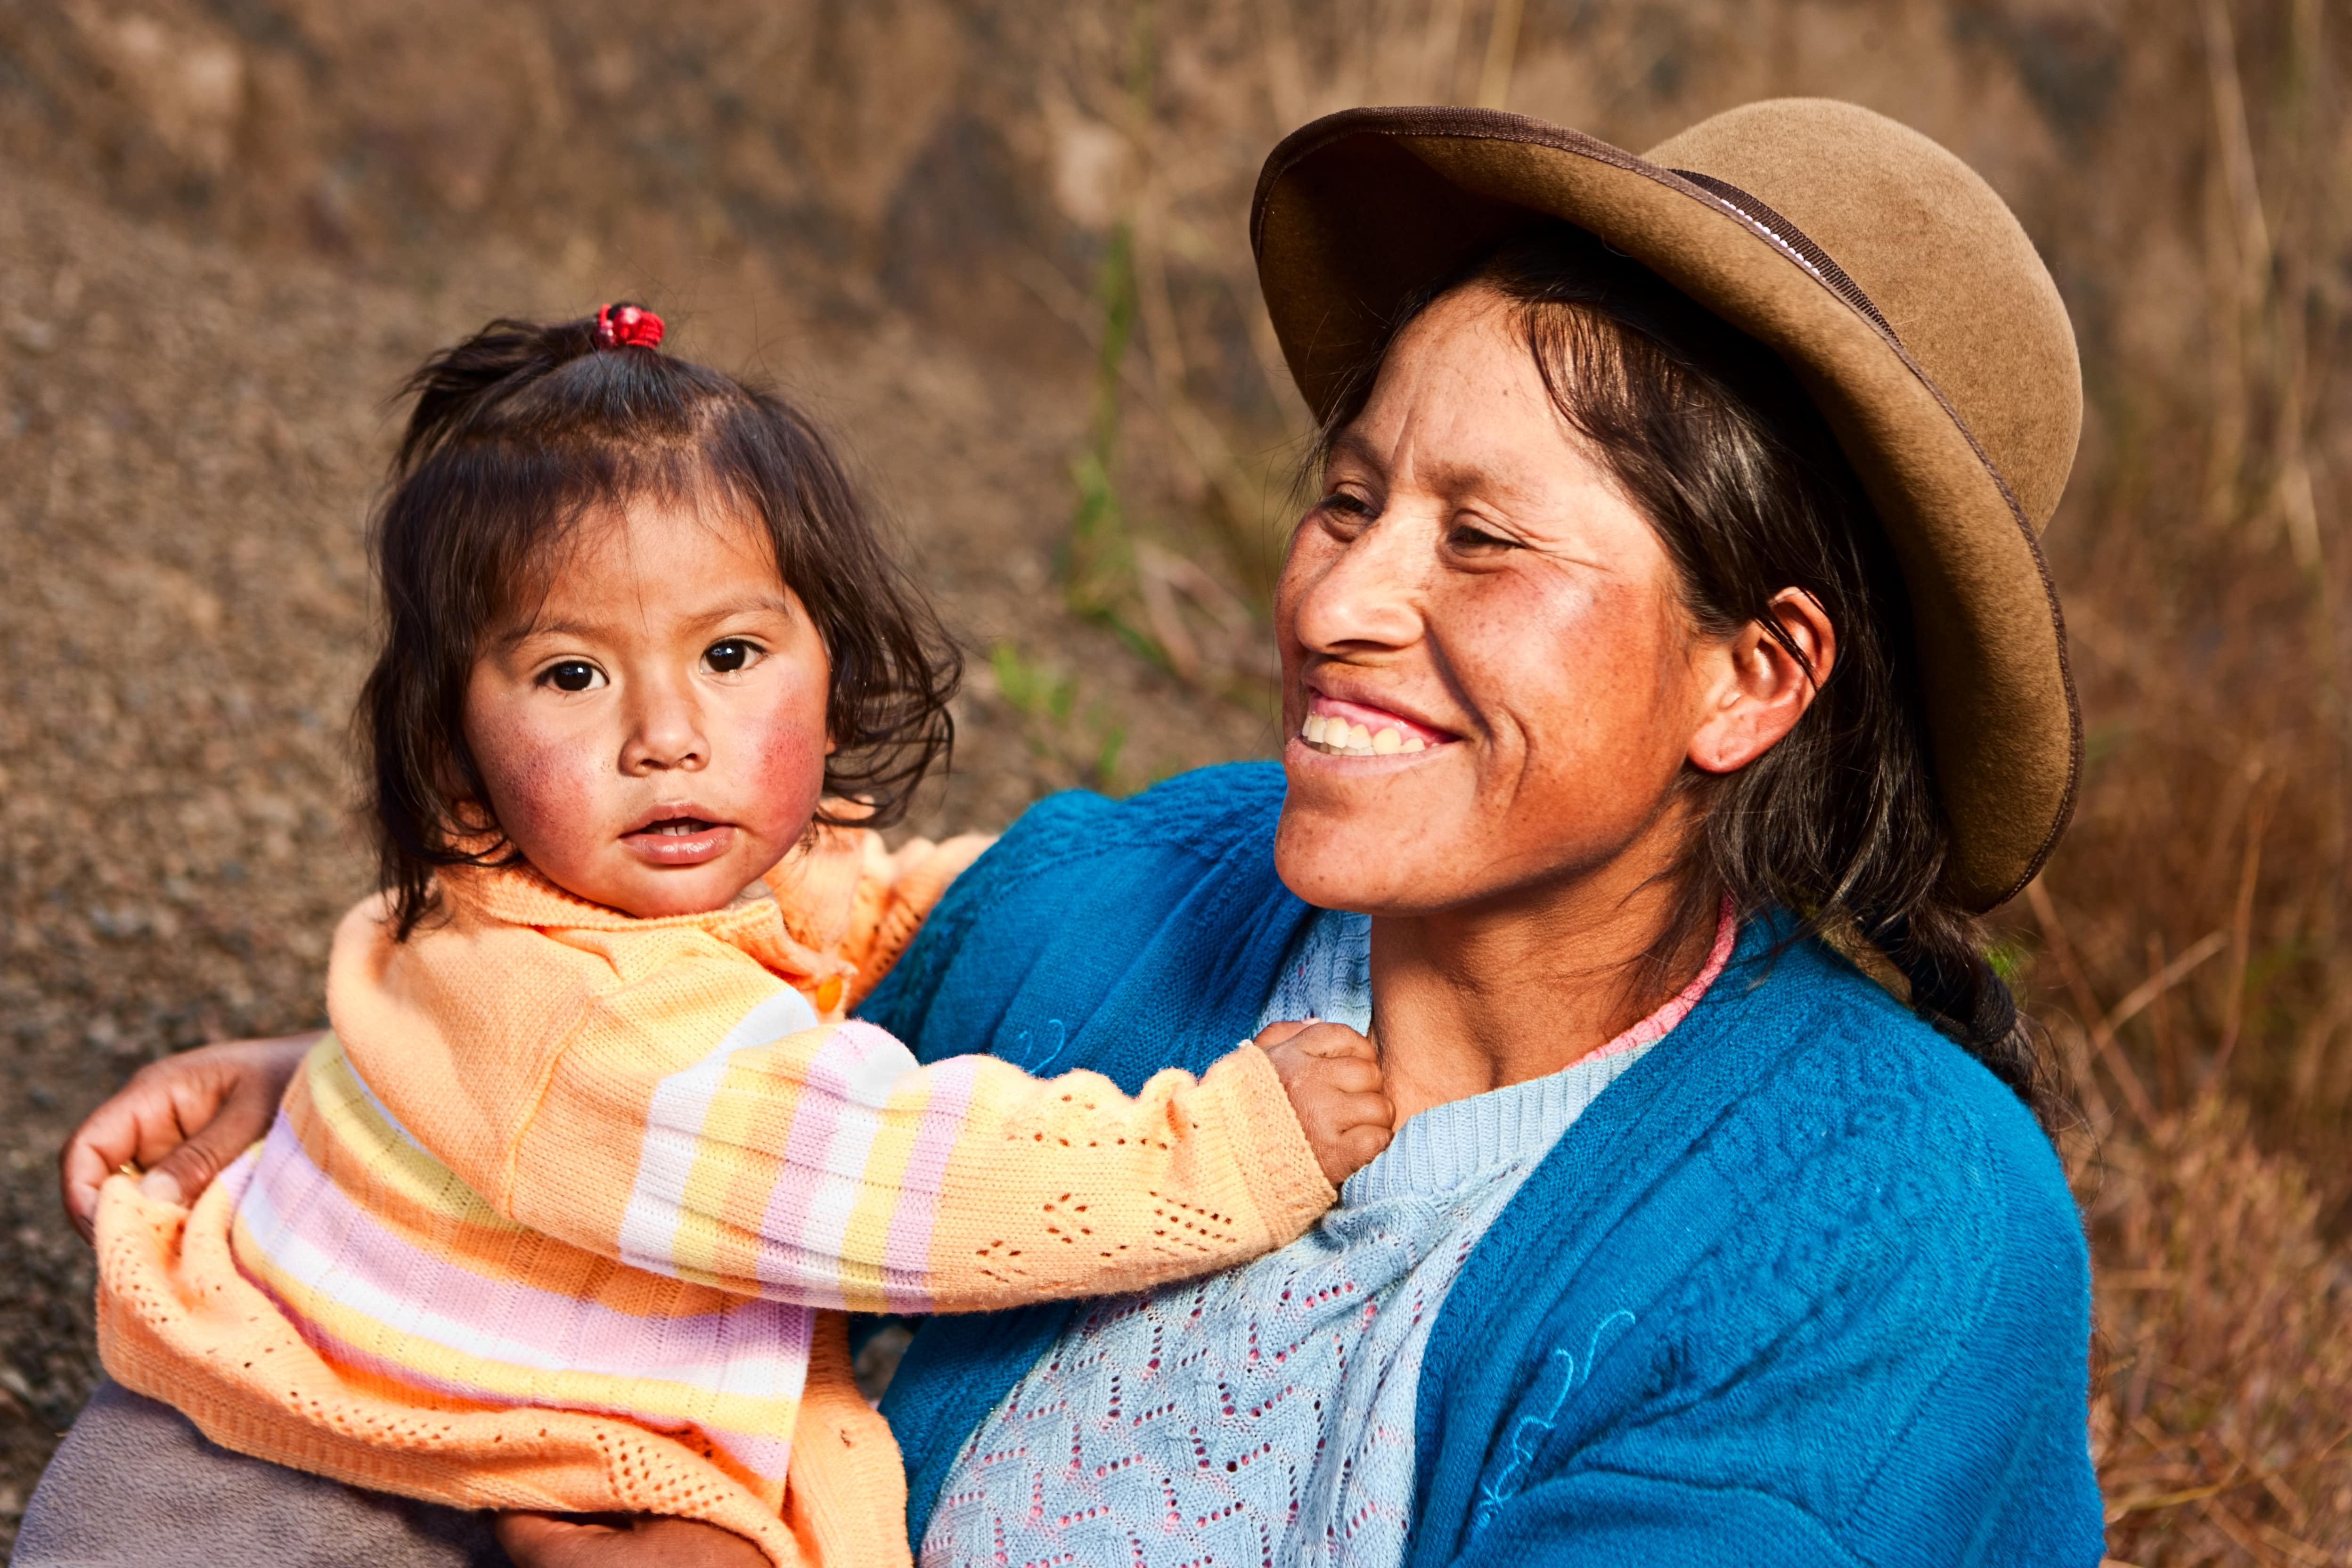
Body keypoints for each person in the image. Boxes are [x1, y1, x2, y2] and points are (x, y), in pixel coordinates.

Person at [38, 98, 2108, 1568]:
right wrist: (369, 1083)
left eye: (1480, 541)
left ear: (1757, 674)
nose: (1333, 603)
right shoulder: (1118, 902)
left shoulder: (1881, 1245)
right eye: (1348, 495)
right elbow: (694, 1061)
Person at [33, 304, 1393, 1566]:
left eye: (731, 657)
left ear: (835, 672)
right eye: (571, 676)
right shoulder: (603, 1033)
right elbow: (900, 1175)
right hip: (290, 1481)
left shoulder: (641, 898)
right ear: (456, 753)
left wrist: (1061, 898)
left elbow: (868, 915)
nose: (665, 735)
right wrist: (1230, 1151)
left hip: (465, 1411)